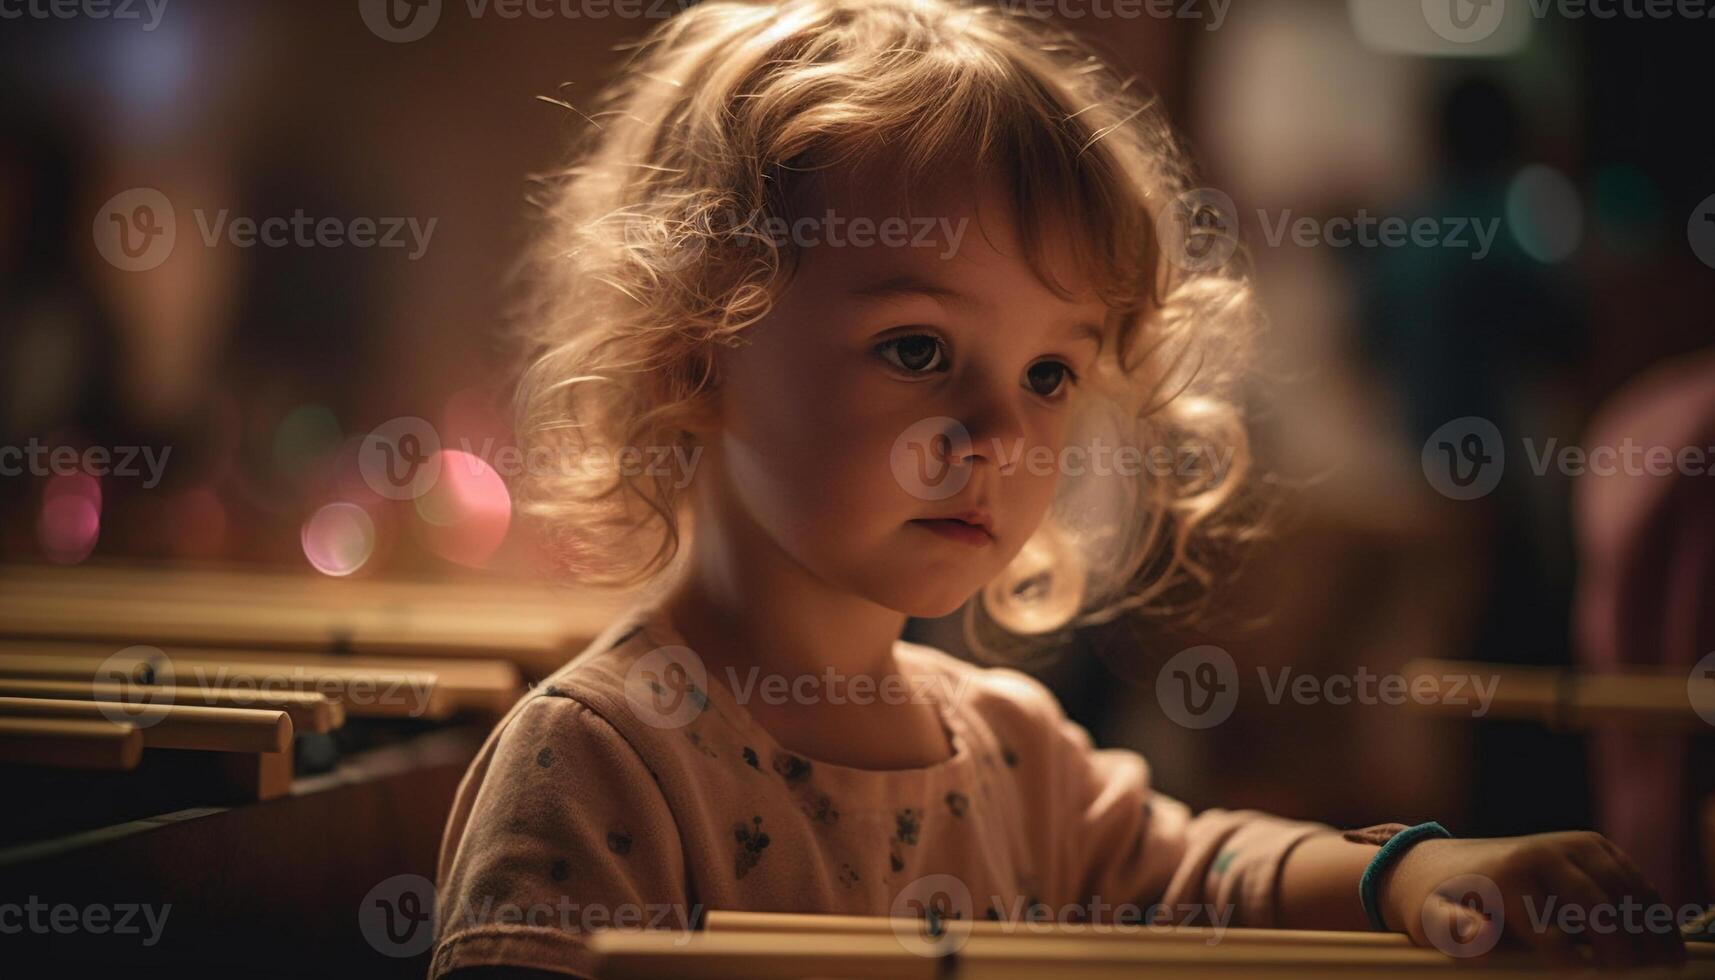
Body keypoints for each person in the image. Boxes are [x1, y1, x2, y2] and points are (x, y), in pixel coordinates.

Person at [430, 2, 1683, 975]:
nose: (996, 429)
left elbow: (1201, 873)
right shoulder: (596, 765)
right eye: (917, 347)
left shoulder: (1007, 749)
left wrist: (1406, 878)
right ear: (693, 352)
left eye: (1045, 372)